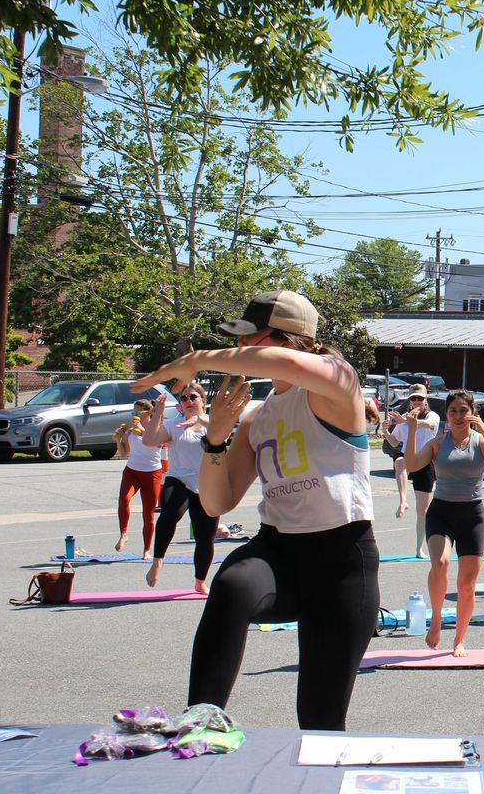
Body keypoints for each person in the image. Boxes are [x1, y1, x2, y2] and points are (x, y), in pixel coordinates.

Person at [132, 289, 379, 731]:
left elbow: (282, 366)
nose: (242, 349)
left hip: (342, 560)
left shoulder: (338, 384)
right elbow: (217, 502)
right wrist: (215, 440)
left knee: (320, 721)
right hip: (278, 552)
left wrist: (198, 359)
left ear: (290, 340)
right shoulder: (255, 417)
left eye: (252, 339)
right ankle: (201, 722)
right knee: (232, 584)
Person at [405, 389, 484, 656]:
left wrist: (483, 428)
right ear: (447, 415)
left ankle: (459, 638)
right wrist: (413, 430)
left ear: (471, 412)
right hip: (442, 512)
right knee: (441, 562)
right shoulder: (438, 443)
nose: (458, 416)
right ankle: (436, 619)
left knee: (466, 585)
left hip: (472, 515)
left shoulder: (480, 440)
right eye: (453, 411)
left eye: (463, 410)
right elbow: (412, 465)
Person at [141, 382, 218, 594]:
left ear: (203, 400)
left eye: (193, 397)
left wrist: (200, 420)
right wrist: (158, 412)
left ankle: (199, 580)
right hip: (178, 479)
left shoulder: (213, 423)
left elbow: (222, 437)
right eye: (184, 399)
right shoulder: (174, 426)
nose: (188, 401)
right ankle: (157, 562)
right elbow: (148, 441)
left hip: (206, 485)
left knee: (205, 536)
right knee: (170, 512)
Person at [383, 385, 439, 557]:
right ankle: (403, 500)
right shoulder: (404, 418)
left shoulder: (432, 416)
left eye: (420, 399)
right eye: (413, 398)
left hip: (424, 461)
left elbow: (428, 425)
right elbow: (394, 442)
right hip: (408, 457)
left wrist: (405, 421)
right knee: (399, 461)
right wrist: (385, 430)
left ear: (425, 400)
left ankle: (419, 548)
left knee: (422, 510)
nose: (416, 402)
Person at [114, 398, 164, 558]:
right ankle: (123, 534)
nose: (134, 415)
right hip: (132, 471)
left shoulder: (157, 428)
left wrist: (142, 429)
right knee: (124, 499)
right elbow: (123, 454)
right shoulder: (131, 431)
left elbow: (157, 444)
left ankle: (147, 550)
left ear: (149, 413)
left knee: (148, 513)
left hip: (152, 473)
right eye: (133, 412)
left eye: (138, 412)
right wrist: (119, 438)